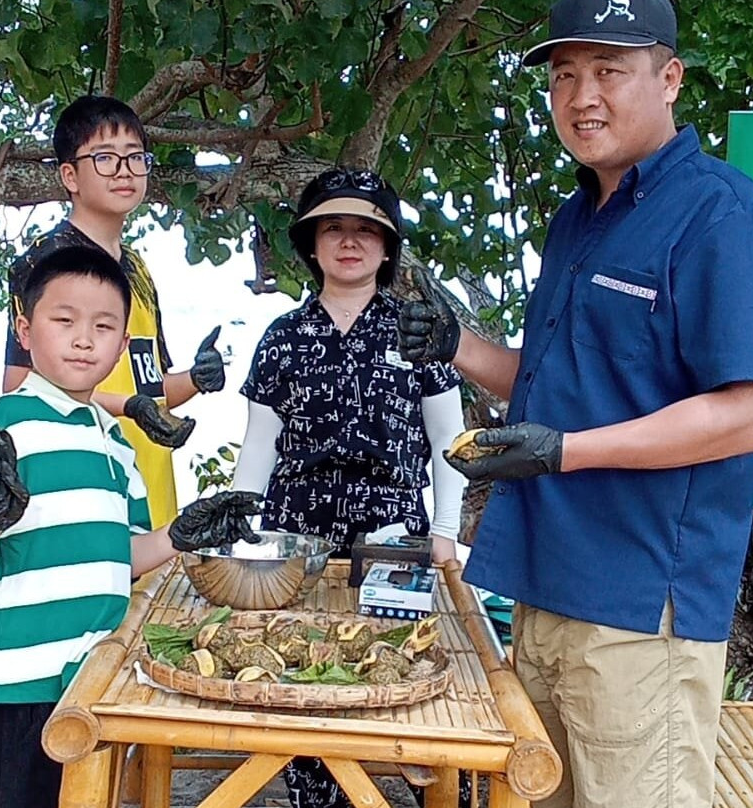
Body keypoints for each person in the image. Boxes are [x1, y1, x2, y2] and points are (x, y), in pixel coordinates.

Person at [397, 1, 753, 806]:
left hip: (639, 610)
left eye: (608, 70)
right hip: (540, 589)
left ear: (669, 78)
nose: (581, 97)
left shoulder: (724, 213)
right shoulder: (577, 219)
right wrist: (456, 346)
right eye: (564, 75)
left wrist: (564, 451)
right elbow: (553, 383)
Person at [0, 246, 260, 808]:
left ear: (122, 345)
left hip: (96, 674)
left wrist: (178, 536)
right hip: (17, 686)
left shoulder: (114, 440)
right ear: (24, 331)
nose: (84, 339)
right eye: (64, 320)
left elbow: (117, 556)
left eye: (103, 326)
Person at [232, 168, 469, 808]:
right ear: (311, 244)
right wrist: (238, 531)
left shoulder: (419, 334)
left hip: (394, 538)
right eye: (334, 228)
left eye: (367, 230)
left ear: (388, 247)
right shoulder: (281, 337)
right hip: (295, 539)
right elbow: (259, 445)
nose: (349, 241)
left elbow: (451, 443)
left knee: (402, 675)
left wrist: (445, 534)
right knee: (304, 681)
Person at [3, 94, 226, 530]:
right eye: (104, 157)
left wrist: (197, 380)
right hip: (81, 493)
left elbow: (151, 386)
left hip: (151, 497)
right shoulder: (46, 261)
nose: (124, 170)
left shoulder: (137, 268)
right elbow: (19, 386)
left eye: (135, 157)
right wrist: (129, 406)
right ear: (70, 175)